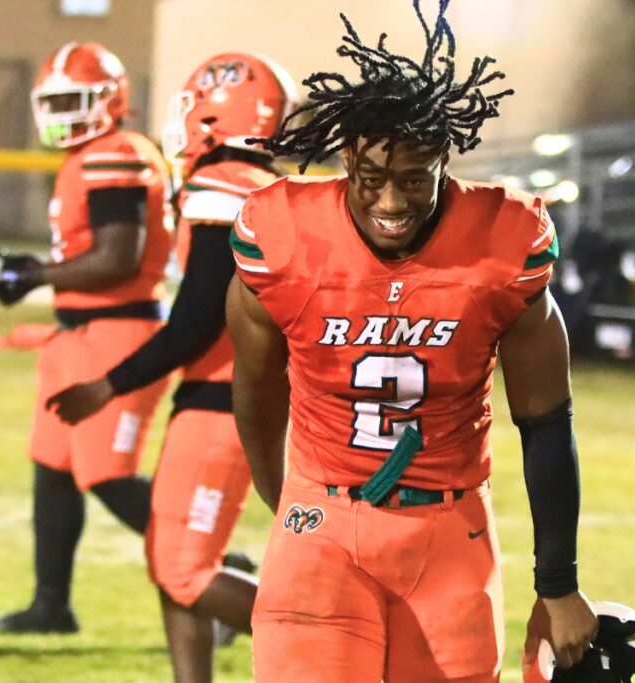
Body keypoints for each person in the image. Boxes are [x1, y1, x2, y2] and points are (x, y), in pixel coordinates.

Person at [225, 1, 598, 680]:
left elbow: (546, 421)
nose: (391, 203)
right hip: (324, 523)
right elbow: (252, 386)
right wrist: (285, 497)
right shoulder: (282, 238)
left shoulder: (501, 244)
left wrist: (559, 580)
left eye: (412, 181)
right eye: (372, 179)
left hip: (448, 534)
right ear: (344, 160)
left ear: (443, 162)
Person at [45, 53, 296, 682]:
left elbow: (194, 323)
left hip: (221, 397)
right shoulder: (264, 183)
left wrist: (107, 384)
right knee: (173, 558)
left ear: (215, 115)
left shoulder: (223, 185)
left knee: (185, 569)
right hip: (236, 394)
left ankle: (338, 642)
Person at [0, 41, 173, 634]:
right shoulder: (88, 155)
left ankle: (216, 573)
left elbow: (117, 259)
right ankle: (50, 605)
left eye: (73, 98)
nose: (62, 111)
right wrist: (40, 274)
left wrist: (35, 275)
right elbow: (96, 255)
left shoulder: (118, 153)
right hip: (78, 335)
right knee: (53, 467)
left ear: (111, 100)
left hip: (119, 335)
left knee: (107, 476)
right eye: (54, 100)